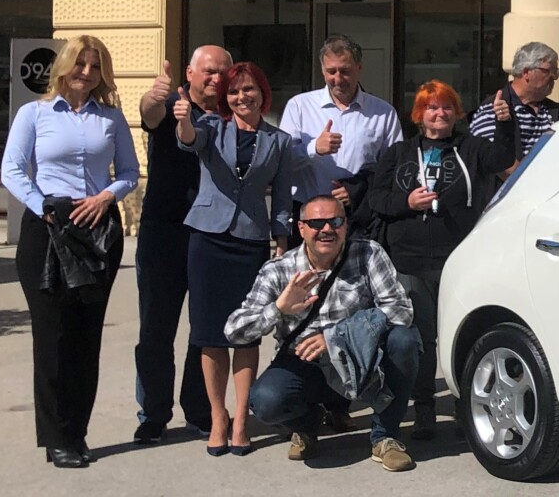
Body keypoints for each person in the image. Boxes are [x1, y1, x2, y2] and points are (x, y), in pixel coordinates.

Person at [0, 35, 141, 469]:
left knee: (85, 336)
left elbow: (130, 171)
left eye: (95, 66)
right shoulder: (34, 114)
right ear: (64, 66)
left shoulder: (111, 118)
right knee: (52, 336)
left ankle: (77, 431)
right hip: (48, 229)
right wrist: (42, 205)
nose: (86, 73)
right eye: (80, 64)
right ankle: (55, 437)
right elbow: (11, 169)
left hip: (97, 231)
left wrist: (107, 196)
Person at [228, 193, 420, 471]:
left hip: (359, 361)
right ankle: (307, 424)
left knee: (404, 340)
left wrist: (336, 338)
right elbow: (234, 331)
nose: (327, 229)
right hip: (306, 364)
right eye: (317, 223)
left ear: (345, 225)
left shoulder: (368, 253)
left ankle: (385, 436)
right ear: (301, 228)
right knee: (266, 401)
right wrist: (279, 308)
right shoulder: (279, 270)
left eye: (336, 221)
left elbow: (401, 311)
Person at [366, 80, 515, 438]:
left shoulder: (472, 147)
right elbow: (376, 199)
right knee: (421, 337)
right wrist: (407, 203)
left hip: (459, 258)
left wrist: (505, 124)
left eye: (447, 106)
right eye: (432, 107)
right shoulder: (399, 153)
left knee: (462, 333)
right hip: (410, 260)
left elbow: (503, 159)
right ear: (420, 114)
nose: (440, 113)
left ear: (456, 112)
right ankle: (424, 407)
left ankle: (467, 405)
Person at [173, 61, 302, 457]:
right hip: (207, 239)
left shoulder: (279, 141)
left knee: (247, 331)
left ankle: (242, 419)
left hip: (250, 240)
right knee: (209, 333)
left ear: (262, 94)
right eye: (233, 91)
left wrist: (281, 242)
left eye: (249, 90)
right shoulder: (213, 127)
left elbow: (283, 197)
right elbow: (189, 141)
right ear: (225, 98)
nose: (241, 97)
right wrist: (183, 119)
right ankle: (218, 417)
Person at [131, 45, 229, 443]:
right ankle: (153, 415)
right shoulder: (171, 104)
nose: (216, 79)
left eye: (222, 72)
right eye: (208, 71)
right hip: (164, 232)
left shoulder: (231, 115)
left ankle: (199, 409)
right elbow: (149, 114)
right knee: (156, 328)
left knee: (204, 328)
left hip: (211, 233)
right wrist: (153, 97)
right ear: (189, 73)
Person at [279, 35, 402, 217]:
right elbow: (281, 161)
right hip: (310, 216)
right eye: (331, 71)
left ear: (359, 68)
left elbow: (393, 167)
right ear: (322, 71)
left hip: (361, 214)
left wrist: (357, 189)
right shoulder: (299, 106)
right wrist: (314, 148)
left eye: (345, 71)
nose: (338, 78)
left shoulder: (383, 112)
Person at [469, 41, 559, 172]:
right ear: (526, 72)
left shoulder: (554, 111)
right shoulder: (494, 109)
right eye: (548, 71)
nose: (555, 77)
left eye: (555, 71)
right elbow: (499, 165)